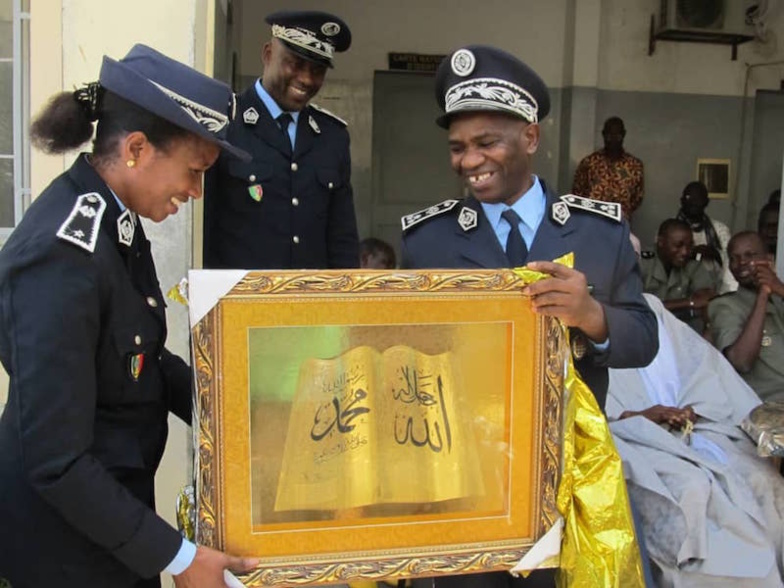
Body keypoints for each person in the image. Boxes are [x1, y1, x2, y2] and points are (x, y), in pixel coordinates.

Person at [401, 45, 658, 588]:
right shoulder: (429, 241)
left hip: (564, 481)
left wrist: (592, 316)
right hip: (459, 483)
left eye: (487, 142)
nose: (470, 161)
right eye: (458, 148)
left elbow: (644, 339)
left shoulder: (597, 233)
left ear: (531, 138)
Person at [0, 45, 257, 587]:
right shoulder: (61, 254)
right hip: (65, 550)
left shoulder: (115, 221)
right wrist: (181, 559)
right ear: (137, 148)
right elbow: (55, 460)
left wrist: (233, 408)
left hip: (113, 523)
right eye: (194, 171)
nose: (195, 191)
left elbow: (138, 356)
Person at [608, 294, 784, 587]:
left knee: (762, 478)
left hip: (693, 430)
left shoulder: (650, 305)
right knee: (692, 488)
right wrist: (641, 416)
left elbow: (703, 368)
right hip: (634, 438)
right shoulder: (585, 313)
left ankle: (772, 569)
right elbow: (589, 407)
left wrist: (694, 408)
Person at [203, 10, 360, 270]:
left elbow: (342, 239)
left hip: (312, 302)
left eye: (317, 70)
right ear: (267, 54)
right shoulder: (226, 123)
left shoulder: (332, 137)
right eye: (295, 64)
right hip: (242, 302)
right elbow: (205, 229)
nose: (307, 79)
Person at [708, 231, 784, 403]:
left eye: (750, 255)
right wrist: (763, 295)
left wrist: (778, 288)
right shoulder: (725, 306)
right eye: (734, 258)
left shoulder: (780, 298)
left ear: (769, 260)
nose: (741, 262)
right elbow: (741, 362)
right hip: (770, 408)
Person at [640, 218, 715, 332]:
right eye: (678, 245)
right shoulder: (641, 262)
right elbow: (636, 305)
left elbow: (706, 298)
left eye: (690, 245)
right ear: (661, 242)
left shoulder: (693, 266)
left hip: (679, 330)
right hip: (644, 327)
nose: (685, 251)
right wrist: (689, 302)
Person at [571, 116, 644, 222]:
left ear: (623, 135)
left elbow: (637, 198)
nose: (613, 140)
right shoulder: (589, 163)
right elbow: (577, 194)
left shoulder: (635, 166)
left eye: (617, 135)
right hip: (592, 224)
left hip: (621, 224)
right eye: (609, 135)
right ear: (603, 135)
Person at [676, 180, 736, 293]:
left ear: (706, 202)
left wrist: (715, 254)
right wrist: (691, 254)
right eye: (689, 197)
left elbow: (730, 263)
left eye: (698, 198)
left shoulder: (720, 230)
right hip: (678, 288)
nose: (693, 202)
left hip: (714, 289)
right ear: (682, 201)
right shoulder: (670, 230)